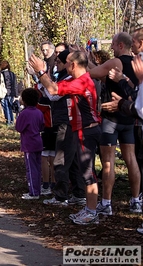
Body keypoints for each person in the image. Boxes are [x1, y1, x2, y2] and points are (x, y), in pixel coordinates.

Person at [30, 51, 102, 225]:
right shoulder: (79, 80)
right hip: (80, 130)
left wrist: (41, 72)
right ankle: (88, 207)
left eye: (66, 63)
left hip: (87, 131)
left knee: (88, 173)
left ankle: (92, 212)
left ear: (73, 65)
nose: (62, 66)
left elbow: (53, 89)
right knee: (84, 170)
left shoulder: (82, 82)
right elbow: (54, 93)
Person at [88, 32, 142, 214]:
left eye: (112, 44)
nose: (110, 48)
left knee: (108, 161)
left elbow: (92, 73)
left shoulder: (115, 63)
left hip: (111, 118)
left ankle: (106, 203)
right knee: (131, 159)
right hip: (129, 116)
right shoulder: (137, 64)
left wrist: (83, 60)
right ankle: (135, 200)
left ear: (120, 45)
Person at [16, 88, 45, 200]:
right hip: (38, 141)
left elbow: (19, 127)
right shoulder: (38, 112)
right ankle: (37, 189)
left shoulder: (24, 113)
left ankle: (33, 192)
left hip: (29, 143)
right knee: (37, 168)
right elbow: (42, 125)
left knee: (31, 169)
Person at [0, 60, 17, 126]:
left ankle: (8, 121)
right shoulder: (12, 74)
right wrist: (16, 94)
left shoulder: (0, 74)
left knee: (5, 107)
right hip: (11, 92)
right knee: (10, 107)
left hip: (3, 92)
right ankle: (12, 120)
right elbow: (15, 85)